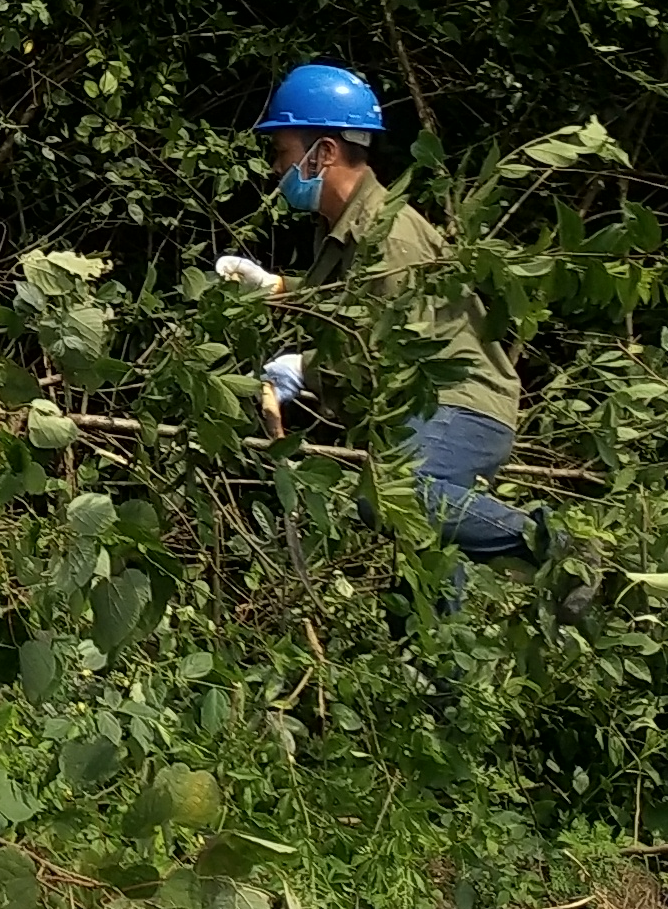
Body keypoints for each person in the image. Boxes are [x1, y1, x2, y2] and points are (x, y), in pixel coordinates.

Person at [216, 64, 548, 577]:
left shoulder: (387, 236)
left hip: (458, 406)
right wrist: (279, 289)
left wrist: (303, 366)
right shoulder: (350, 228)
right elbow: (356, 304)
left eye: (282, 153)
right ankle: (436, 652)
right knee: (426, 563)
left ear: (322, 153)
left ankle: (553, 546)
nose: (276, 168)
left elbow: (383, 344)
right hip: (427, 406)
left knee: (393, 497)